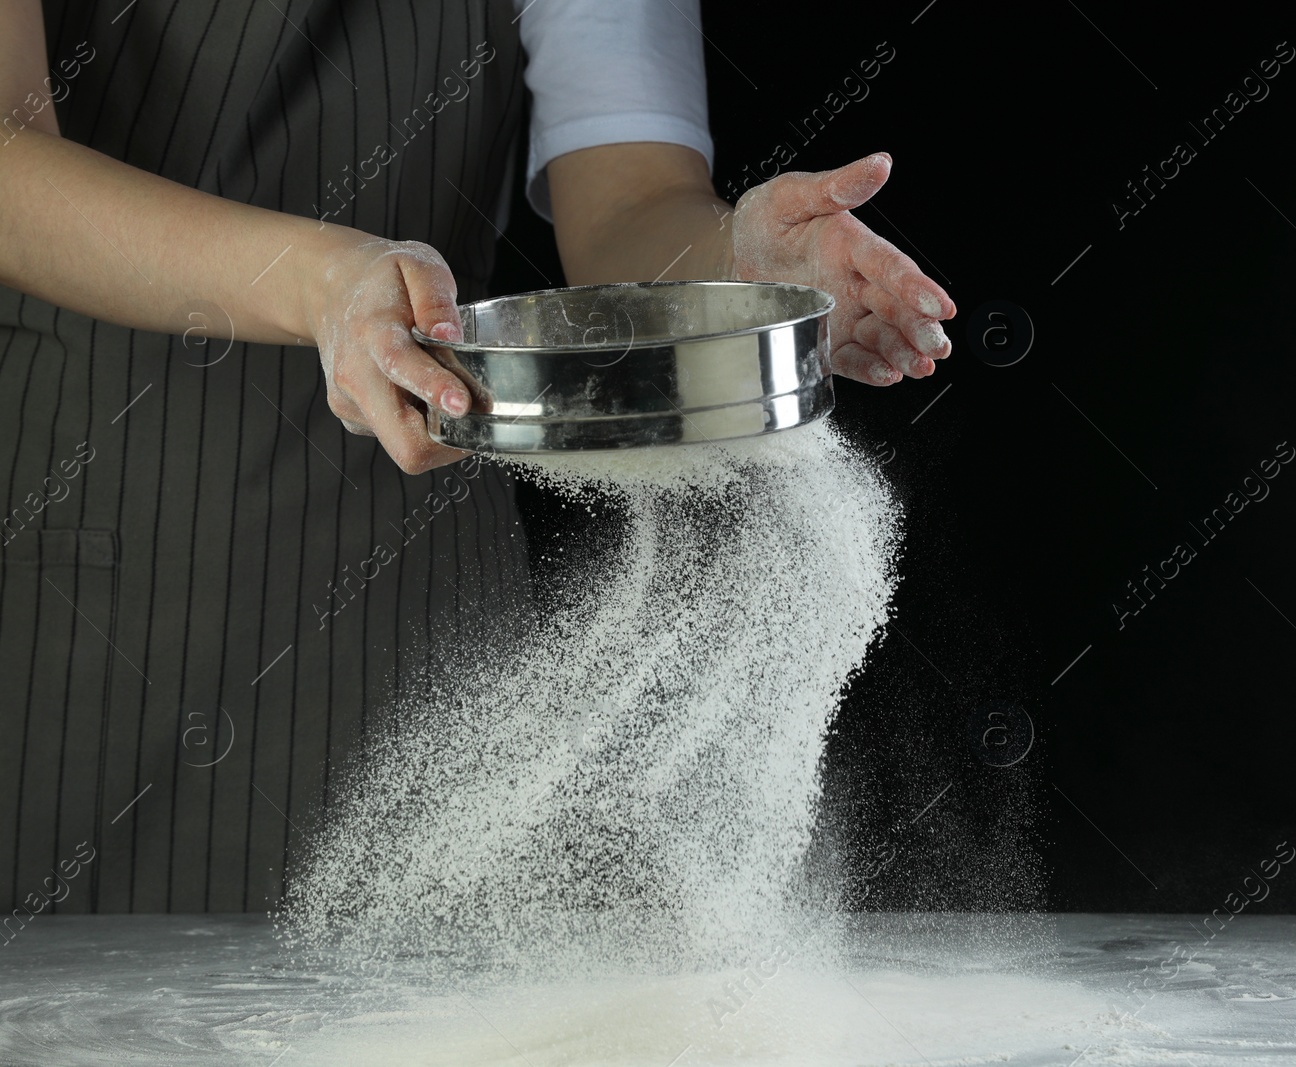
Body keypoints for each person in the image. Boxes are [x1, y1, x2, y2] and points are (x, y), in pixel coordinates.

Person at [0, 0, 952, 918]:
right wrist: (323, 282)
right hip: (96, 570)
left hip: (408, 591)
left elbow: (630, 202)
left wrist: (732, 273)